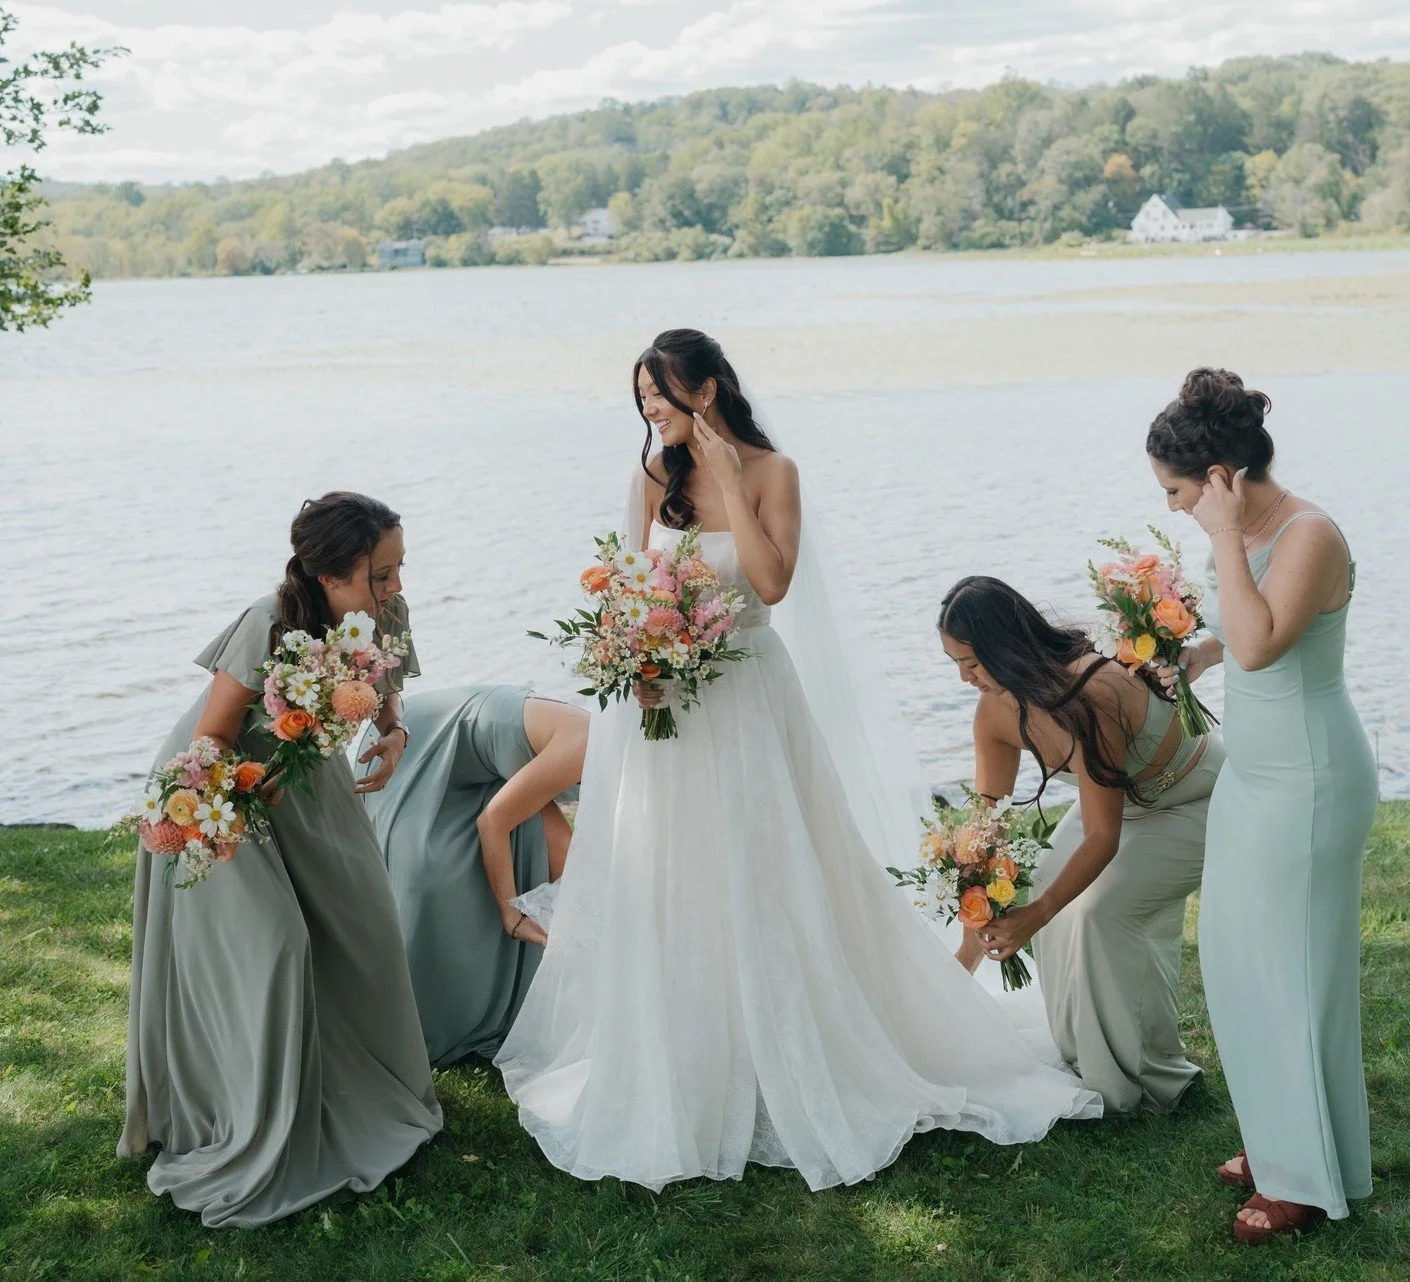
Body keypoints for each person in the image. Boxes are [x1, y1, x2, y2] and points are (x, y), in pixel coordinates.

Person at [495, 328, 1101, 1192]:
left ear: (707, 390)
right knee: (672, 871)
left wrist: (728, 478)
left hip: (747, 696)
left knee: (762, 866)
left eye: (661, 394)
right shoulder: (650, 476)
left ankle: (792, 1052)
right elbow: (629, 586)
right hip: (662, 707)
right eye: (641, 399)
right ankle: (685, 1061)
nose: (650, 410)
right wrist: (637, 658)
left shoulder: (774, 473)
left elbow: (772, 583)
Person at [118, 492, 442, 1227]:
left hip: (308, 783)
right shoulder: (268, 622)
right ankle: (254, 1117)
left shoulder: (386, 609)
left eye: (398, 568)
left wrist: (392, 733)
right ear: (329, 576)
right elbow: (211, 736)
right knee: (279, 946)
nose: (395, 587)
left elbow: (387, 684)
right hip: (223, 789)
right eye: (380, 574)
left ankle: (362, 1090)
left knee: (364, 928)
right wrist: (234, 797)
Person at [1148, 367, 1377, 1245]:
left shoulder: (1309, 533)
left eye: (1177, 491)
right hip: (1254, 775)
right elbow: (1238, 637)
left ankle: (1305, 1177)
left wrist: (1218, 540)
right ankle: (1281, 1130)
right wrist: (1195, 654)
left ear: (1220, 478)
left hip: (1309, 781)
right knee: (1239, 957)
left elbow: (1262, 642)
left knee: (1296, 971)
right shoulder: (1246, 527)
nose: (1172, 507)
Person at [938, 576, 1222, 1113]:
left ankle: (1147, 1077)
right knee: (1040, 885)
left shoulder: (1091, 692)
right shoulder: (995, 711)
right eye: (954, 663)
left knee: (1096, 913)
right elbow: (988, 827)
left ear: (1004, 647)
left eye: (971, 663)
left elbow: (1102, 839)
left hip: (1195, 799)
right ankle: (1083, 1058)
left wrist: (1036, 915)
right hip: (1120, 806)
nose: (963, 678)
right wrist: (970, 943)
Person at [363, 685, 588, 1065]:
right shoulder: (585, 749)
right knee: (430, 871)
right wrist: (511, 915)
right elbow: (492, 823)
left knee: (561, 852)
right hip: (421, 735)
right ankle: (445, 1004)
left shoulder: (611, 753)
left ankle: (552, 984)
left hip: (482, 750)